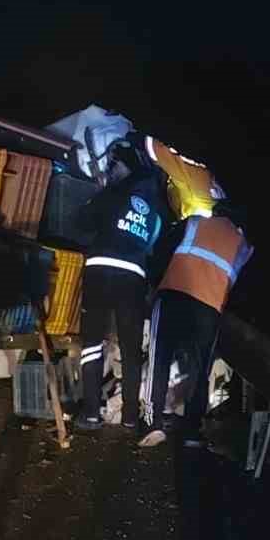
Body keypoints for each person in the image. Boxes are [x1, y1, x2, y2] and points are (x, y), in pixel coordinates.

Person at [73, 136, 172, 431]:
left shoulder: (113, 193)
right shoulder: (155, 205)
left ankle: (91, 412)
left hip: (101, 270)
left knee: (92, 342)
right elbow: (154, 243)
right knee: (130, 348)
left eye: (115, 164)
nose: (112, 169)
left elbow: (82, 223)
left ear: (125, 166)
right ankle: (130, 416)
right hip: (133, 277)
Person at [139, 199, 252, 448]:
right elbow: (241, 289)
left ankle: (151, 424)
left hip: (173, 294)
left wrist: (155, 284)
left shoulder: (194, 223)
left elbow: (161, 251)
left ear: (215, 213)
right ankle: (191, 430)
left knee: (160, 359)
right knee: (200, 371)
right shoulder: (243, 246)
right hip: (209, 308)